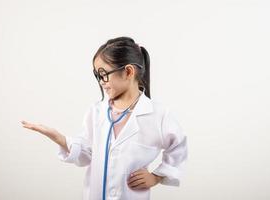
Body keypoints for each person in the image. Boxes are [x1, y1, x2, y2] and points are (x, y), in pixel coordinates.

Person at [21, 36, 187, 200]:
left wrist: (157, 176)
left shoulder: (158, 115)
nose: (101, 82)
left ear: (128, 71)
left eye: (103, 74)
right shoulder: (97, 112)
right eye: (97, 75)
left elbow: (178, 147)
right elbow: (86, 153)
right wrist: (60, 139)